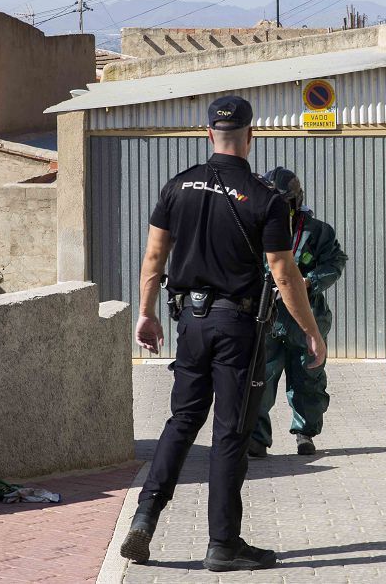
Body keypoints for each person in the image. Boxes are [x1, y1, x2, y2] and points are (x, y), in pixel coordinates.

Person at [120, 95, 327, 572]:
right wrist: (311, 332)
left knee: (181, 422)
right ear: (251, 136)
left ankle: (146, 518)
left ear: (207, 132)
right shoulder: (265, 197)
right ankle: (222, 544)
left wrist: (146, 314)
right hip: (237, 325)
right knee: (231, 432)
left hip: (189, 322)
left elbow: (154, 258)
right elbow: (283, 272)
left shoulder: (177, 186)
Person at [247, 166, 347, 458]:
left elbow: (335, 262)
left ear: (295, 200)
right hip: (266, 318)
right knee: (259, 380)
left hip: (307, 318)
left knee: (308, 380)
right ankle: (257, 438)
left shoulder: (317, 232)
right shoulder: (253, 230)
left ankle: (305, 433)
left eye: (283, 202)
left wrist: (309, 282)